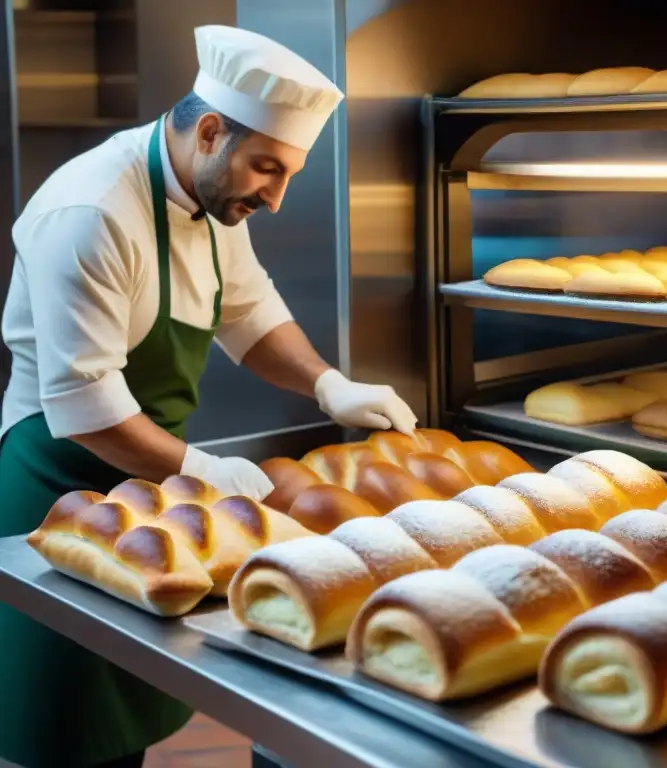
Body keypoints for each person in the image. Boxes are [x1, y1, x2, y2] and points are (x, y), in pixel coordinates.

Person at [0, 24, 416, 768]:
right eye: (267, 169)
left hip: (153, 493)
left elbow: (250, 316)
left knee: (135, 715)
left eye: (288, 173)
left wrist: (330, 384)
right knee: (65, 731)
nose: (278, 197)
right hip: (58, 490)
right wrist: (202, 467)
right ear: (212, 132)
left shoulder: (212, 193)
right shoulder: (91, 211)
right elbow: (86, 405)